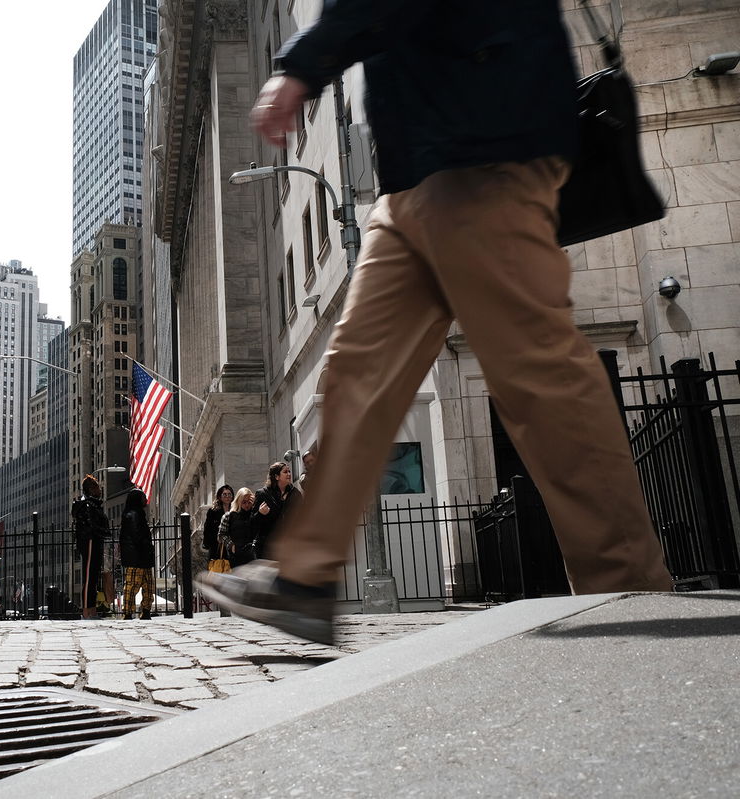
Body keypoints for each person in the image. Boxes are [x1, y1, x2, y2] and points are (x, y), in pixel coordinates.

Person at [200, 0, 673, 645]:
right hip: (415, 170)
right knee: (356, 372)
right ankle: (305, 578)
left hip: (484, 138)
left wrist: (302, 67)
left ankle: (627, 579)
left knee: (539, 374)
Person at [71, 474, 110, 619]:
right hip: (90, 541)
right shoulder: (86, 505)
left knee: (93, 577)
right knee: (88, 577)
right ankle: (87, 611)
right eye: (96, 487)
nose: (99, 489)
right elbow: (90, 526)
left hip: (95, 540)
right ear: (91, 489)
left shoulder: (93, 504)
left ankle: (92, 610)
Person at [119, 488, 156, 620]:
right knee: (132, 585)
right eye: (143, 497)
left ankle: (145, 611)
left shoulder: (136, 513)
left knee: (148, 585)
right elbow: (137, 535)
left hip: (142, 556)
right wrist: (146, 546)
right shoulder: (133, 514)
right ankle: (128, 612)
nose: (145, 500)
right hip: (136, 556)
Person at [252, 462, 301, 559]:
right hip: (267, 549)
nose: (289, 474)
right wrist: (260, 513)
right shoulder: (262, 494)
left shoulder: (295, 494)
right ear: (276, 476)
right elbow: (252, 524)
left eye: (289, 471)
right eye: (285, 472)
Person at [218, 488, 259, 568]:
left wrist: (255, 506)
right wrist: (231, 546)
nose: (247, 505)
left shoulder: (255, 515)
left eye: (249, 502)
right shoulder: (228, 516)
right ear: (238, 501)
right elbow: (221, 535)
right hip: (236, 556)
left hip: (253, 555)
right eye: (244, 502)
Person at [202, 485, 234, 557]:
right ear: (220, 496)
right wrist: (209, 544)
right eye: (224, 494)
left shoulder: (235, 510)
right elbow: (207, 528)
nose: (227, 496)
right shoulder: (213, 511)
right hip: (217, 546)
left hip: (231, 545)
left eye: (229, 494)